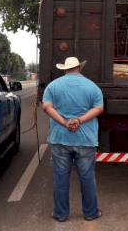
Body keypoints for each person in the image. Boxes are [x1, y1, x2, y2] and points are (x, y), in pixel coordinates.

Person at [42, 57, 104, 222]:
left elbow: (46, 107)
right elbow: (99, 108)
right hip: (86, 140)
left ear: (65, 69)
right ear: (79, 68)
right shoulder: (92, 87)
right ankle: (90, 213)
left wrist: (64, 122)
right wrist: (79, 121)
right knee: (87, 177)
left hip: (60, 138)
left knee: (61, 178)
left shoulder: (53, 86)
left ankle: (61, 214)